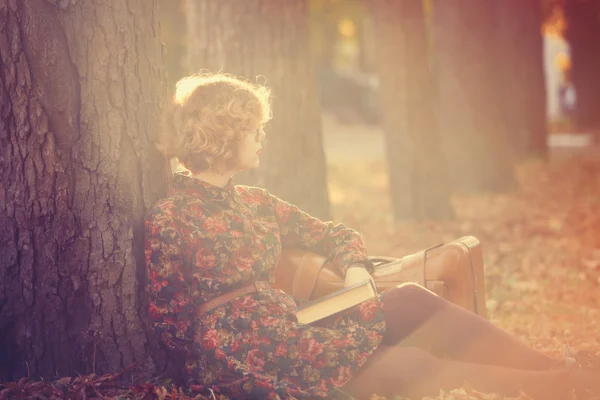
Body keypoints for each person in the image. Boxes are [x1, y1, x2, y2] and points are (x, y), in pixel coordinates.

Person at [145, 73, 599, 400]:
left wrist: (355, 270)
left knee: (411, 300)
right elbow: (168, 322)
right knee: (413, 368)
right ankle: (567, 386)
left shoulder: (256, 201)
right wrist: (226, 365)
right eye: (252, 130)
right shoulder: (171, 215)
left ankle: (559, 367)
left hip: (291, 322)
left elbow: (338, 234)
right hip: (240, 353)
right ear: (224, 136)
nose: (261, 137)